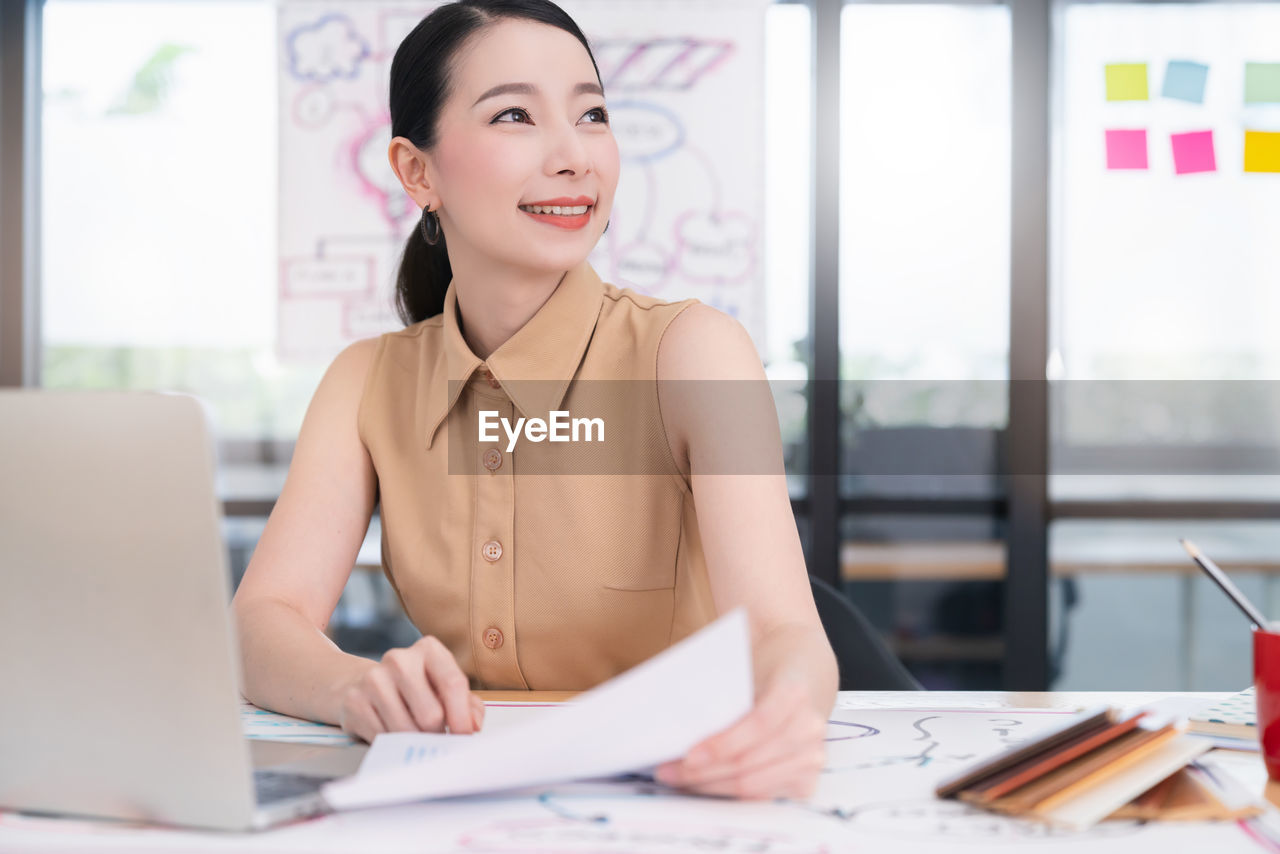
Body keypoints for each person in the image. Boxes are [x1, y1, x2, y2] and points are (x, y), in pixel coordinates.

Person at [231, 0, 837, 801]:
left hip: (673, 795)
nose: (574, 156)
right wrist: (358, 690)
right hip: (465, 796)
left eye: (593, 115)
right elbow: (261, 621)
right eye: (515, 114)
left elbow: (784, 631)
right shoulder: (367, 381)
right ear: (417, 171)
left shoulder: (692, 353)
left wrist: (786, 710)